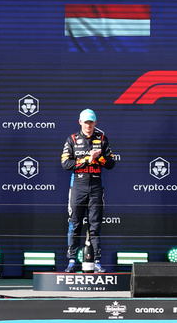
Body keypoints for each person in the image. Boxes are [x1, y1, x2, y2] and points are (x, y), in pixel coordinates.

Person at [61, 109, 117, 272]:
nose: (88, 125)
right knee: (75, 224)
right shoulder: (72, 139)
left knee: (95, 225)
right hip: (78, 186)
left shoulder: (102, 139)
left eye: (91, 122)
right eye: (86, 122)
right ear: (80, 122)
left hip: (95, 186)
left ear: (95, 123)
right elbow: (66, 164)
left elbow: (111, 163)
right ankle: (72, 261)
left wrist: (98, 158)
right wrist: (88, 159)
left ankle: (97, 262)